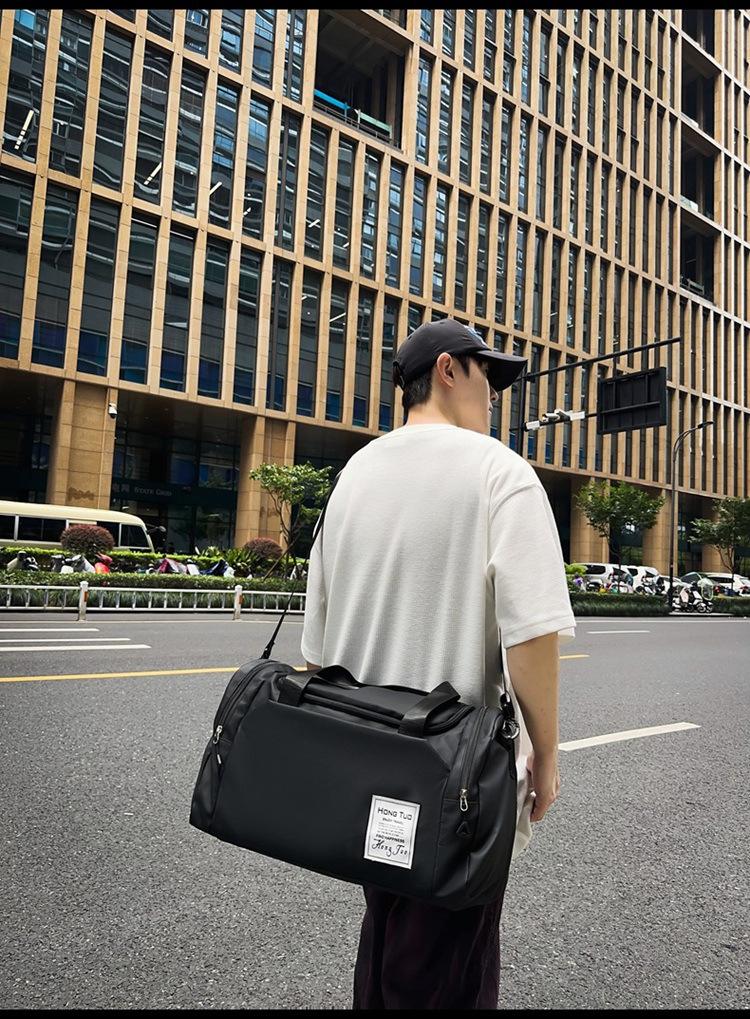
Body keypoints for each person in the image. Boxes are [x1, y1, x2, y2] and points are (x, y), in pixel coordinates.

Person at [301, 319, 576, 1010]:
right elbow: (533, 635)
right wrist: (546, 755)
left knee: (387, 937)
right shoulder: (500, 474)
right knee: (446, 971)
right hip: (456, 785)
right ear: (449, 370)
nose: (495, 396)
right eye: (488, 376)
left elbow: (316, 650)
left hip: (361, 768)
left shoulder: (353, 476)